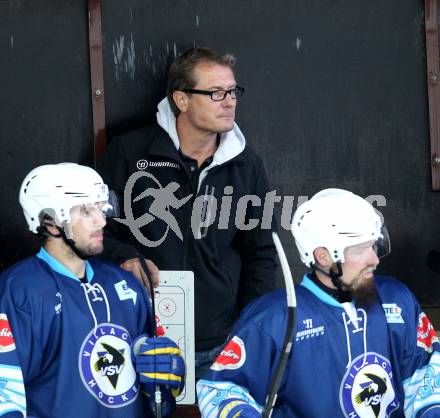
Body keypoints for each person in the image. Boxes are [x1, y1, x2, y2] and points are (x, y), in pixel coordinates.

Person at [98, 47, 277, 376]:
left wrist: (250, 327)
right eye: (216, 93)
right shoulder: (129, 152)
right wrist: (123, 255)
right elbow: (94, 229)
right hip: (139, 339)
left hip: (218, 344)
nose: (229, 101)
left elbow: (262, 251)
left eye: (233, 91)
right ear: (181, 100)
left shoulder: (247, 165)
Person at [197, 188, 440, 417]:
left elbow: (427, 373)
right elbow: (218, 390)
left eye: (374, 245)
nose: (374, 259)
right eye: (360, 250)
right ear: (323, 257)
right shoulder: (273, 319)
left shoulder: (397, 299)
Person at [0, 163, 185, 418]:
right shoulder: (18, 292)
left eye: (101, 207)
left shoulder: (126, 285)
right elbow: (6, 398)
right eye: (86, 211)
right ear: (51, 222)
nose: (101, 221)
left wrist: (163, 384)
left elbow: (156, 401)